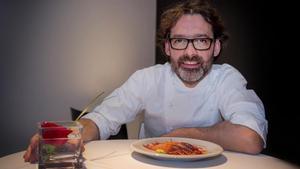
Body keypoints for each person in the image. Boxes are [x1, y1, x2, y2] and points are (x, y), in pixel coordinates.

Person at [24, 0, 268, 162]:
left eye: (201, 40)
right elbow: (103, 118)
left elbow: (251, 138)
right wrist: (67, 136)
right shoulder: (148, 78)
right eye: (180, 41)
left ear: (215, 46)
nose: (190, 52)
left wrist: (184, 134)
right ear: (167, 47)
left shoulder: (227, 78)